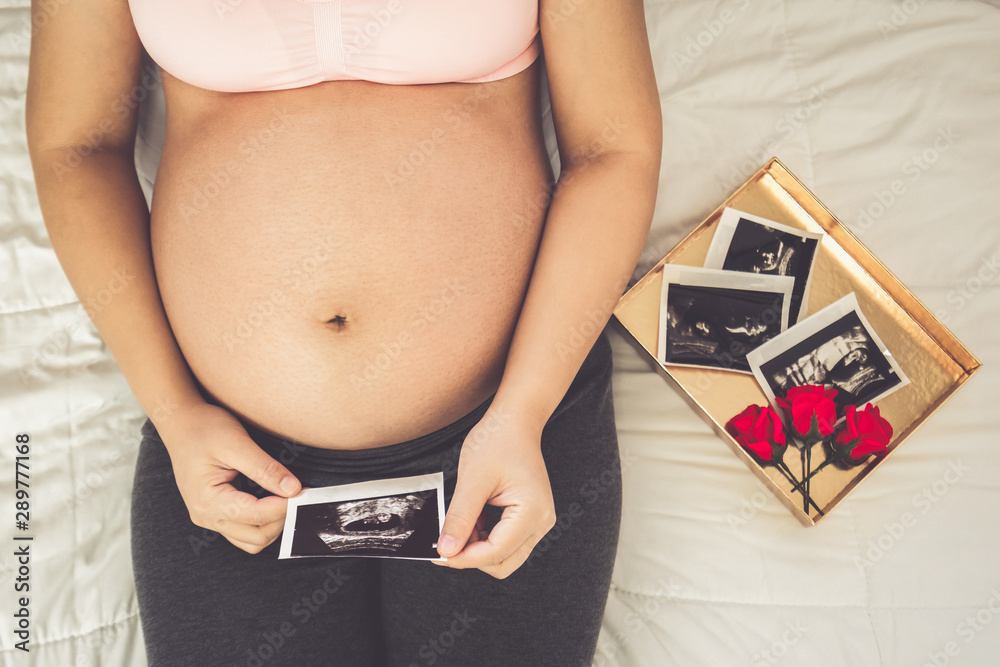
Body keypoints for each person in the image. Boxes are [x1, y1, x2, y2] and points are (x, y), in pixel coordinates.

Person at [25, 0, 662, 664]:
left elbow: (612, 148)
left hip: (508, 432)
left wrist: (524, 410)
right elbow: (75, 146)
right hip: (226, 454)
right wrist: (175, 410)